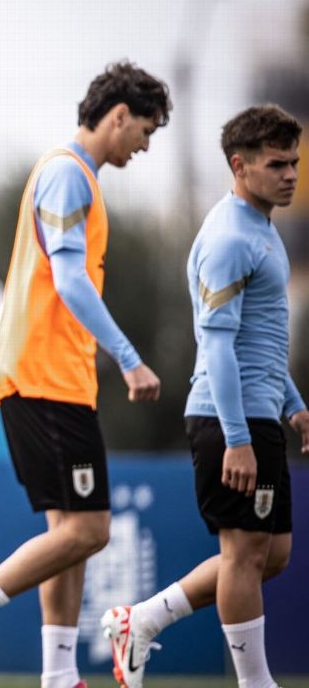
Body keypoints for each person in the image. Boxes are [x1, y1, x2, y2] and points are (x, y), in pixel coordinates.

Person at [0, 62, 171, 688]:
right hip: (44, 377)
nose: (144, 145)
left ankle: (59, 676)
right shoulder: (66, 174)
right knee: (89, 528)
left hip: (55, 377)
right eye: (144, 129)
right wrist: (130, 356)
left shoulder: (73, 175)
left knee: (71, 532)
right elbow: (70, 276)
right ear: (117, 115)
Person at [102, 104, 309, 688]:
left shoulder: (262, 229)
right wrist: (239, 438)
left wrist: (292, 402)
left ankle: (141, 620)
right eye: (277, 164)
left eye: (294, 162)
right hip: (230, 419)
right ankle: (255, 683)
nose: (291, 173)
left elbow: (259, 340)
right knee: (244, 555)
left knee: (272, 555)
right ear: (240, 167)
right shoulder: (228, 237)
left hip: (258, 412)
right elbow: (216, 346)